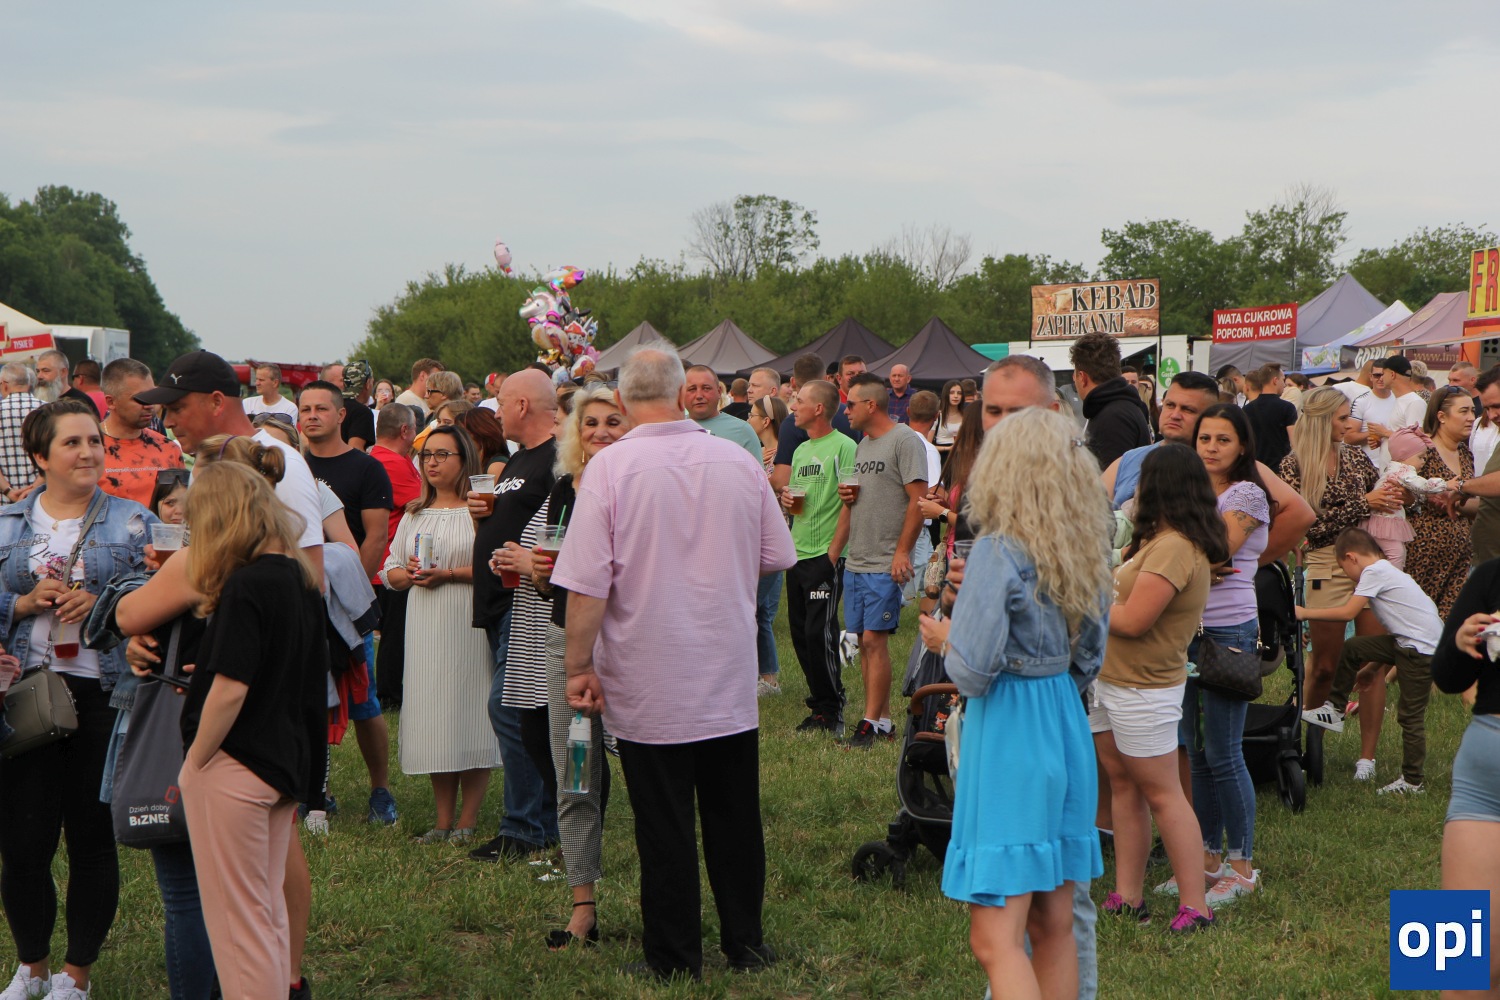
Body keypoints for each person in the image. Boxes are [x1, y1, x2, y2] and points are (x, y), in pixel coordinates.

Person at [556, 342, 795, 982]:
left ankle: (674, 955)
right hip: (724, 665)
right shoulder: (736, 459)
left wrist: (577, 666)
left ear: (623, 398)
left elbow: (586, 584)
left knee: (663, 821)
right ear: (681, 391)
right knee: (733, 814)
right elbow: (777, 554)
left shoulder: (611, 468)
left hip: (649, 671)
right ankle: (745, 941)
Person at [935, 407, 1111, 999]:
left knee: (995, 937)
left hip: (1010, 731)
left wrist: (946, 638)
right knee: (1053, 924)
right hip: (1063, 721)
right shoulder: (1085, 547)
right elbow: (1090, 657)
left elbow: (972, 669)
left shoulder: (998, 550)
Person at [0, 400, 155, 1000]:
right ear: (39, 457)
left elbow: (162, 593)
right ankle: (32, 968)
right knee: (22, 843)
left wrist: (107, 604)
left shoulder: (134, 521)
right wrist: (20, 603)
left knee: (91, 838)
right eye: (72, 443)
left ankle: (77, 975)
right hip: (26, 693)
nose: (89, 452)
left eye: (94, 441)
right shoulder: (8, 523)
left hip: (104, 693)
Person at [174, 462, 324, 1000]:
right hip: (281, 761)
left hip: (234, 764)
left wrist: (195, 761)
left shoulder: (248, 584)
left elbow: (232, 689)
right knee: (264, 915)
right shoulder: (298, 577)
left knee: (239, 928)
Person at [1092, 443, 1225, 933]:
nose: (1135, 490)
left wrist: (1081, 601)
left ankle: (1196, 905)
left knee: (1164, 795)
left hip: (1143, 688)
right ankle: (1129, 896)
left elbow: (1133, 621)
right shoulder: (1155, 540)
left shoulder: (1175, 547)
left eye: (1143, 480)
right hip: (1112, 680)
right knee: (1124, 785)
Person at [528, 383, 630, 949]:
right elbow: (557, 574)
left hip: (632, 642)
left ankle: (666, 898)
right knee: (575, 771)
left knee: (647, 771)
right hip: (567, 642)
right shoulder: (565, 487)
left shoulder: (640, 485)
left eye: (613, 421)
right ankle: (582, 906)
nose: (600, 432)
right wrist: (541, 573)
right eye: (590, 423)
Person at [381, 423, 499, 842]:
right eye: (426, 455)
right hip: (426, 623)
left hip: (467, 620)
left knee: (469, 709)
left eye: (442, 454)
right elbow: (390, 570)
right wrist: (409, 574)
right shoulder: (415, 512)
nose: (431, 462)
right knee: (435, 713)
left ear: (464, 459)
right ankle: (443, 820)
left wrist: (447, 573)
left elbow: (493, 566)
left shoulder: (480, 510)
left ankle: (467, 821)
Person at [1170, 403, 1268, 907]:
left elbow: (1219, 550)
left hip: (1228, 629)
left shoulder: (1246, 493)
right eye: (1204, 438)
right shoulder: (1189, 490)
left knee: (1225, 752)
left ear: (1242, 445)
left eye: (1222, 439)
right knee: (1196, 750)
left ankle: (1243, 866)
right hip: (1183, 627)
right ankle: (1208, 860)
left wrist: (1188, 552)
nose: (1211, 447)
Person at [466, 369, 560, 862]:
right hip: (502, 602)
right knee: (528, 715)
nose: (496, 411)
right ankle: (545, 821)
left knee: (513, 710)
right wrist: (484, 517)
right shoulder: (520, 457)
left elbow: (562, 531)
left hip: (530, 605)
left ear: (522, 405)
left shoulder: (558, 459)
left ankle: (523, 827)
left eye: (501, 402)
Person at [298, 380, 398, 824]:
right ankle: (319, 790)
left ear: (342, 415)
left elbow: (375, 537)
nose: (312, 416)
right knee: (310, 701)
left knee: (364, 703)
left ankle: (381, 791)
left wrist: (355, 598)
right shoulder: (291, 467)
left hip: (350, 604)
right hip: (300, 604)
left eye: (321, 408)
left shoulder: (366, 468)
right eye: (305, 409)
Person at [1282, 388, 1404, 731]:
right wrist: (1364, 503)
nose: (1351, 424)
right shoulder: (1294, 464)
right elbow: (1308, 526)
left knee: (1371, 663)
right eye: (1343, 418)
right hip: (1325, 561)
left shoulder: (1354, 456)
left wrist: (1400, 492)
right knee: (1324, 666)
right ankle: (1310, 744)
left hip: (1368, 561)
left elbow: (1380, 494)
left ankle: (1367, 755)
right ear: (1321, 421)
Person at [1296, 527, 1441, 796]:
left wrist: (1305, 613)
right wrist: (1372, 668)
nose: (1348, 576)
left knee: (1410, 716)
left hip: (1421, 653)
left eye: (1344, 569)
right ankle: (1335, 709)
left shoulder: (1373, 572)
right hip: (1408, 644)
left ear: (1351, 558)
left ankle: (1412, 781)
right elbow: (1400, 630)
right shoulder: (1387, 571)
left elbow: (1347, 613)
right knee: (1354, 648)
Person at [829, 373, 928, 749]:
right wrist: (835, 552)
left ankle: (869, 723)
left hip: (886, 559)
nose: (846, 410)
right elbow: (857, 501)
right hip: (858, 559)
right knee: (864, 641)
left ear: (871, 405)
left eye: (851, 404)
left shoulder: (904, 440)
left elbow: (918, 501)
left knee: (874, 639)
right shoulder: (862, 446)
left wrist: (902, 552)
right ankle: (882, 721)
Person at [1434, 554, 1500, 984]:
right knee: (1453, 968)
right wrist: (1460, 643)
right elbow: (1446, 677)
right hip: (1483, 780)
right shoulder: (1491, 575)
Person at [779, 379, 857, 735]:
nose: (793, 407)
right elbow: (799, 496)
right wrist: (787, 500)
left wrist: (833, 554)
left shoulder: (844, 446)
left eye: (799, 401)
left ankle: (832, 707)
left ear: (819, 408)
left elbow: (852, 504)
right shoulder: (800, 450)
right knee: (800, 633)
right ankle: (820, 706)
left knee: (818, 632)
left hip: (824, 554)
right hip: (797, 554)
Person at [1403, 386, 1476, 619]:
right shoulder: (1422, 451)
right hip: (1424, 554)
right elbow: (1402, 491)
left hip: (1460, 555)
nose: (1471, 417)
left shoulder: (1465, 453)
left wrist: (1456, 502)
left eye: (1472, 411)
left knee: (1452, 622)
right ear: (1441, 416)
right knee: (1421, 621)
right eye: (1463, 411)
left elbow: (1471, 502)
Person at [368, 404, 422, 709]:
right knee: (395, 635)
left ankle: (386, 692)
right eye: (414, 428)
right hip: (391, 563)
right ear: (405, 430)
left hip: (381, 562)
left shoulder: (378, 458)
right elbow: (424, 503)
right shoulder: (393, 463)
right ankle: (390, 695)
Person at [98, 358, 184, 508]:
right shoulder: (88, 450)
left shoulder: (169, 450)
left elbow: (181, 505)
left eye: (152, 396)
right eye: (140, 399)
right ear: (111, 402)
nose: (149, 405)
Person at [769, 354, 858, 494]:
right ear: (826, 379)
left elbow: (781, 481)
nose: (793, 407)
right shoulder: (852, 415)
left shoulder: (791, 423)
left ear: (793, 381)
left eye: (800, 401)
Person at [1071, 332, 1151, 468]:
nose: (1074, 380)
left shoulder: (1113, 417)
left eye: (1075, 375)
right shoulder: (1118, 408)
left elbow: (1111, 477)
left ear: (1082, 377)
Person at [901, 389, 943, 605]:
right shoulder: (927, 449)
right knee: (902, 594)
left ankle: (927, 623)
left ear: (908, 411)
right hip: (916, 528)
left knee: (930, 586)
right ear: (937, 416)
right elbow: (934, 493)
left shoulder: (898, 440)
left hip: (900, 523)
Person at [685, 365, 762, 459]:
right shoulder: (673, 429)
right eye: (692, 389)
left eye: (706, 388)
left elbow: (756, 468)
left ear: (719, 392)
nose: (699, 396)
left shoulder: (742, 431)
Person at [0, 364, 43, 503]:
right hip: (41, 498)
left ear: (4, 385)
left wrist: (8, 491)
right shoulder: (48, 409)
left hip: (3, 501)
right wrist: (34, 488)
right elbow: (55, 456)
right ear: (29, 384)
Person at [1244, 366, 1298, 470]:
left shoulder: (1246, 409)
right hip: (1280, 470)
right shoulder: (1287, 408)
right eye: (1283, 379)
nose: (1284, 385)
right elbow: (1294, 442)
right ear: (1275, 380)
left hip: (1255, 470)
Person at [35, 351, 99, 417]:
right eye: (38, 371)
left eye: (45, 371)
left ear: (63, 372)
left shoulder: (80, 401)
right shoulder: (36, 400)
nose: (39, 376)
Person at [337, 360, 377, 451]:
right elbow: (355, 450)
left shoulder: (332, 404)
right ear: (367, 384)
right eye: (372, 382)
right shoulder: (362, 413)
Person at [746, 395, 788, 478]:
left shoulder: (784, 455)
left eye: (751, 416)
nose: (748, 420)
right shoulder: (758, 452)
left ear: (765, 422)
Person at [933, 380, 965, 454]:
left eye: (959, 393)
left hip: (961, 455)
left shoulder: (965, 416)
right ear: (946, 394)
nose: (956, 396)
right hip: (942, 454)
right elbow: (928, 444)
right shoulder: (938, 416)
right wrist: (948, 448)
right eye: (952, 393)